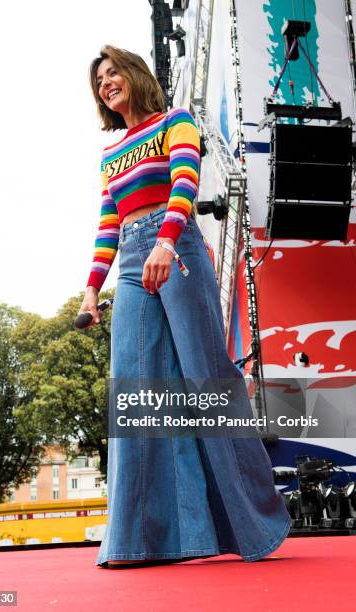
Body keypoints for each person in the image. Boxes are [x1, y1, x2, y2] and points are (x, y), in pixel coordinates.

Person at [79, 45, 291, 569]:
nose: (107, 83)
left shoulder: (175, 122)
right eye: (99, 80)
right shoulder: (111, 155)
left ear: (133, 75)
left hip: (176, 247)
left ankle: (255, 523)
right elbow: (109, 223)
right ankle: (143, 538)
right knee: (135, 387)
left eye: (113, 73)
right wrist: (91, 287)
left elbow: (184, 182)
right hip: (131, 255)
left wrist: (167, 242)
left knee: (203, 378)